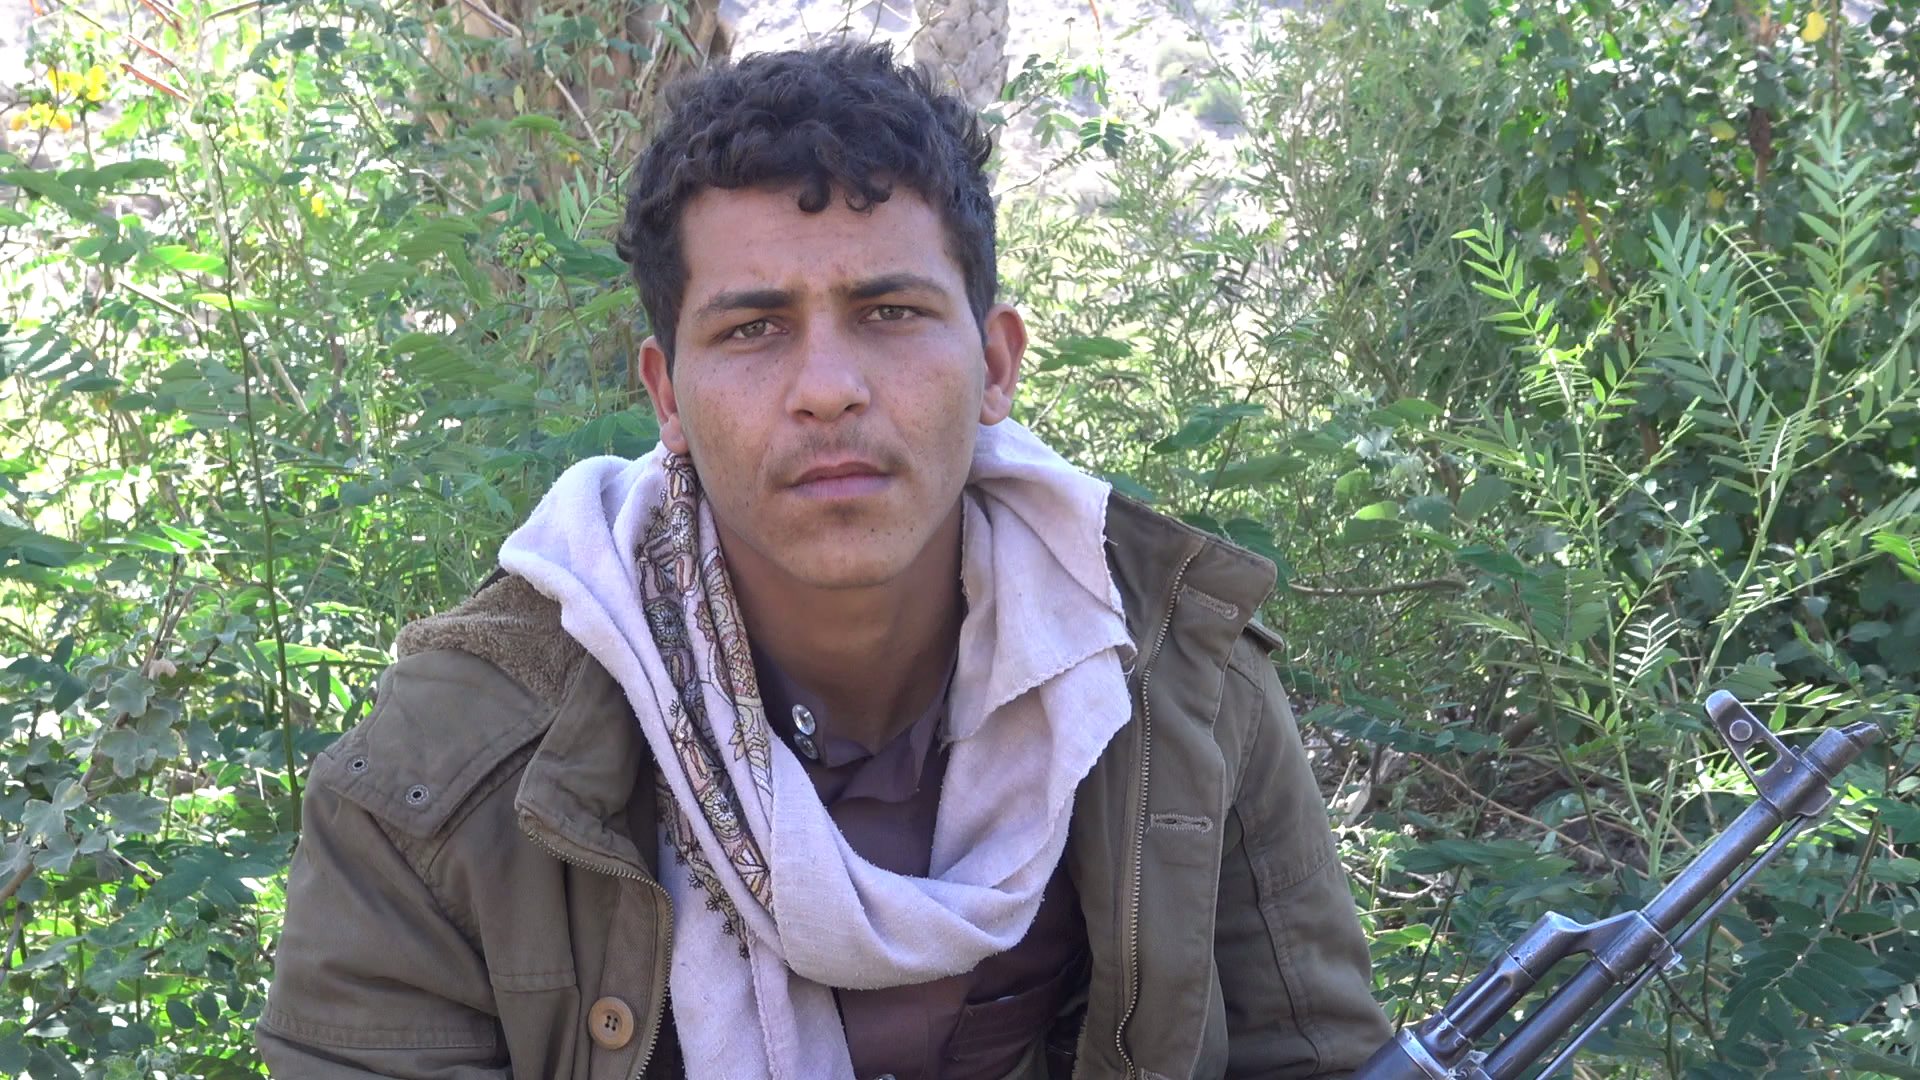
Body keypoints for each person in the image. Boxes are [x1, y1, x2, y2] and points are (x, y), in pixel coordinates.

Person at [256, 41, 1390, 1080]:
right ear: (668, 397)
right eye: (753, 328)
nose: (828, 389)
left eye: (889, 312)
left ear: (996, 365)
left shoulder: (1175, 678)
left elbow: (1315, 1057)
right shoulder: (447, 774)